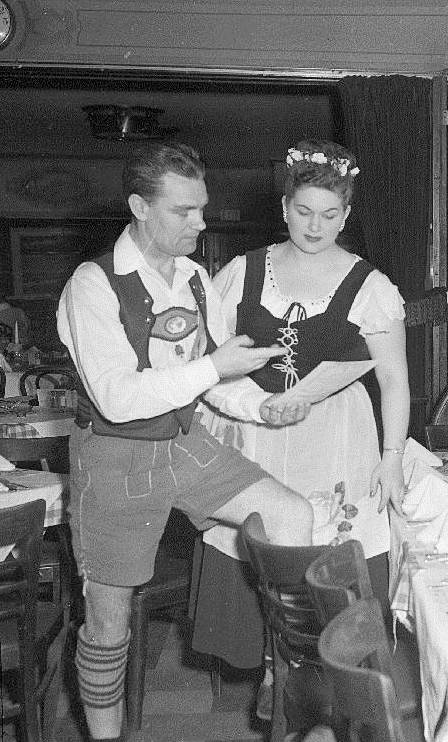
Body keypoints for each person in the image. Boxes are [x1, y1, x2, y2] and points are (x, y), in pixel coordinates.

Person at [57, 141, 316, 742]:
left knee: (290, 513)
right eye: (184, 211)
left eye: (202, 207)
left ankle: (283, 677)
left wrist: (263, 406)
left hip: (184, 442)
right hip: (115, 458)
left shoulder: (196, 278)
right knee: (108, 625)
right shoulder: (93, 284)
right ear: (139, 208)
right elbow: (120, 398)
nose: (201, 223)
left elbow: (213, 382)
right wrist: (217, 369)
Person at [191, 138, 409, 725]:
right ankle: (273, 669)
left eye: (331, 214)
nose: (316, 226)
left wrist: (392, 457)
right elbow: (209, 357)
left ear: (347, 215)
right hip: (256, 426)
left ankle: (326, 683)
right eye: (305, 211)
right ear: (285, 207)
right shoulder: (242, 272)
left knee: (327, 559)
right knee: (267, 553)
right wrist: (249, 406)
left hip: (337, 437)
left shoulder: (372, 287)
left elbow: (392, 382)